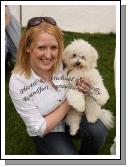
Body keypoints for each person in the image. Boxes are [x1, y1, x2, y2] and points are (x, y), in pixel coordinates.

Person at [9, 17, 108, 155]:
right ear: (28, 47)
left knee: (99, 130)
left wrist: (90, 90)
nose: (49, 55)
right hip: (48, 130)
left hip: (73, 115)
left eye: (54, 48)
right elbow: (39, 127)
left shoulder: (66, 61)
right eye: (41, 47)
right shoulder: (18, 82)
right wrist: (69, 101)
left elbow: (93, 81)